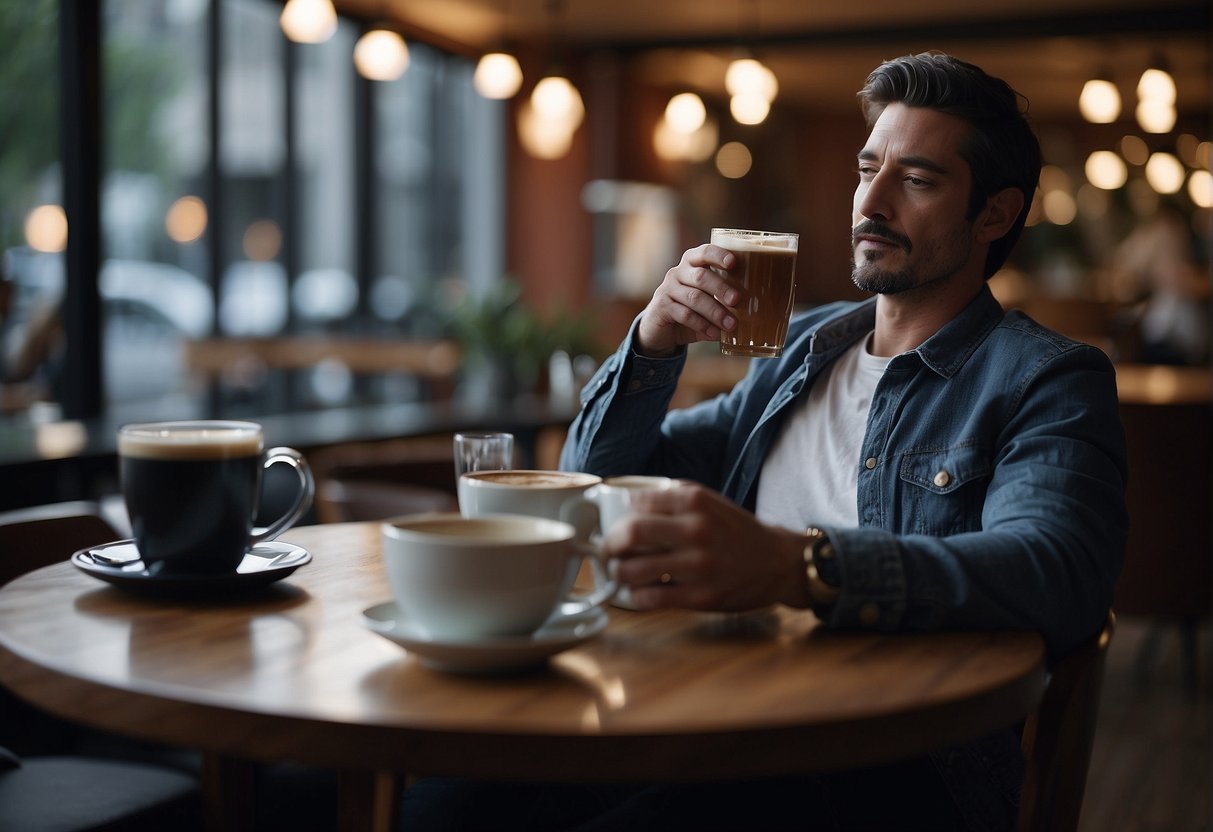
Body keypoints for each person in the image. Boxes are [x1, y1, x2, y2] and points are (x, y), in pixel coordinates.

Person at [402, 52, 1128, 831]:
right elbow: (599, 478)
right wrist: (651, 343)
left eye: (916, 181)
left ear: (992, 215)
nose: (871, 203)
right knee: (440, 801)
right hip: (713, 709)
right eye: (866, 168)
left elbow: (1055, 570)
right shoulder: (804, 348)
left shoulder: (1045, 378)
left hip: (893, 764)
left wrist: (799, 565)